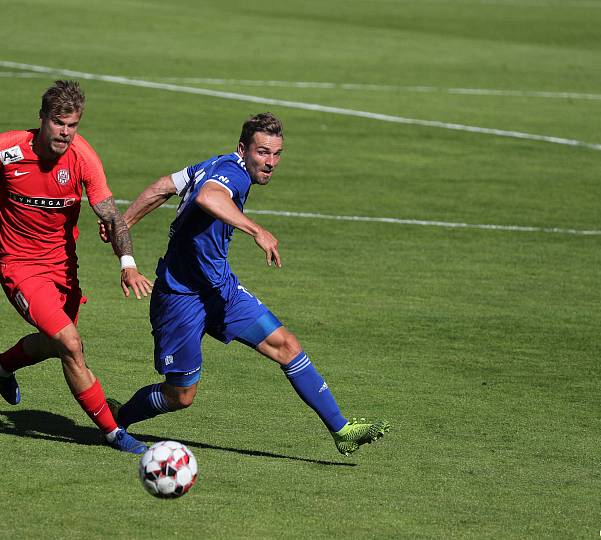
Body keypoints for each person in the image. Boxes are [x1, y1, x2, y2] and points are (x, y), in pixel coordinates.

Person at [103, 112, 390, 455]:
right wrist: (258, 230)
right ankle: (115, 419)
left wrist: (123, 224)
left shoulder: (214, 163)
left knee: (286, 345)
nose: (270, 162)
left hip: (220, 289)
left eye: (276, 154)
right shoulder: (234, 174)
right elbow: (208, 198)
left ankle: (342, 430)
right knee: (181, 395)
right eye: (262, 152)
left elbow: (164, 187)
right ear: (243, 149)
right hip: (180, 296)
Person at [0, 80, 152, 454]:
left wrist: (128, 264)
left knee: (56, 343)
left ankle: (1, 365)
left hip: (64, 269)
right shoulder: (6, 150)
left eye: (72, 125)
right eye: (59, 122)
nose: (65, 132)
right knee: (71, 344)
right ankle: (113, 432)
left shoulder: (83, 158)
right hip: (19, 267)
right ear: (42, 119)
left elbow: (110, 215)